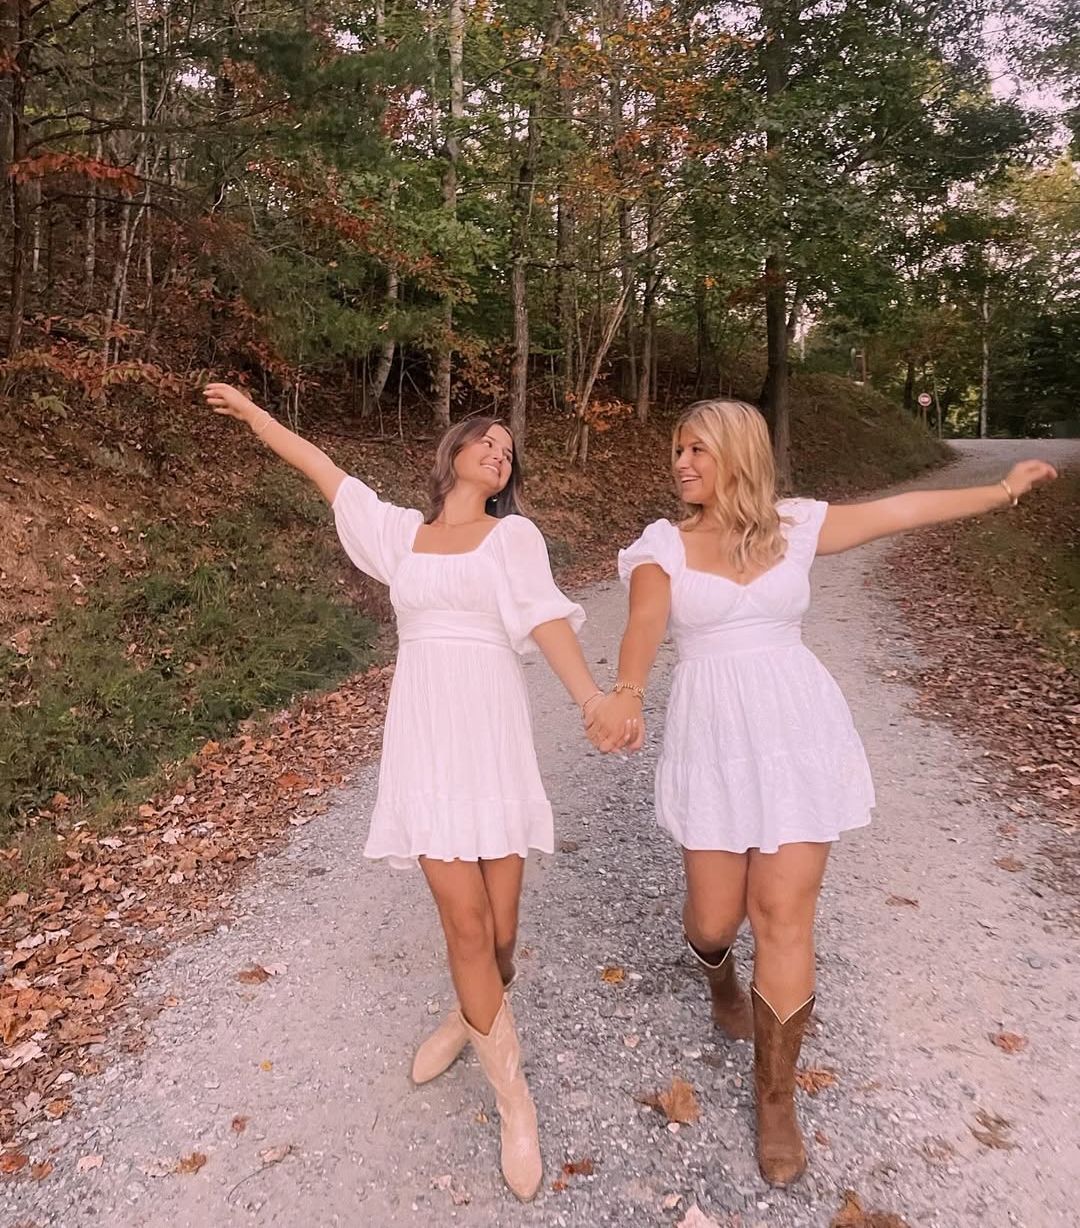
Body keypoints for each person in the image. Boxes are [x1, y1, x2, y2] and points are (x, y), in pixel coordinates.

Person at [587, 399, 1057, 1187]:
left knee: (783, 913)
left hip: (798, 735)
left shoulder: (795, 526)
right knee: (715, 920)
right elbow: (642, 625)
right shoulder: (661, 544)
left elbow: (902, 511)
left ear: (740, 454)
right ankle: (717, 974)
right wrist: (627, 691)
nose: (682, 463)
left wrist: (1002, 489)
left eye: (698, 449)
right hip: (714, 741)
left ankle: (776, 1101)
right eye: (678, 450)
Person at [203, 383, 623, 1202]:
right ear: (454, 453)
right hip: (425, 742)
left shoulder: (514, 537)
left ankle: (469, 1016)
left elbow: (545, 618)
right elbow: (324, 471)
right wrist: (257, 417)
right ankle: (515, 1102)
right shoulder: (401, 536)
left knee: (501, 939)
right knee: (465, 925)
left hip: (492, 740)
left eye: (508, 450)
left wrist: (591, 700)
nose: (498, 452)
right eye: (486, 440)